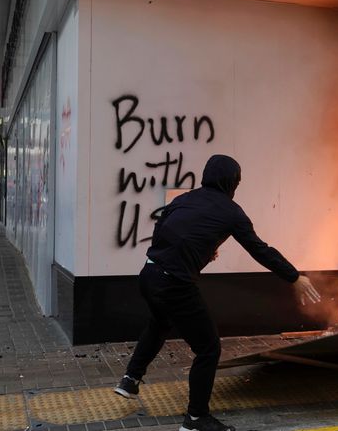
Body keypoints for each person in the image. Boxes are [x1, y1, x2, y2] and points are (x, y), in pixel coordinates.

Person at [114, 154, 321, 431]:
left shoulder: (183, 199)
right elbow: (260, 250)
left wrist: (192, 250)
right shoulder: (231, 211)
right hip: (175, 283)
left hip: (149, 274)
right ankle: (196, 419)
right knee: (209, 348)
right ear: (232, 182)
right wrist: (294, 277)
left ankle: (130, 379)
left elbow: (163, 228)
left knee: (160, 322)